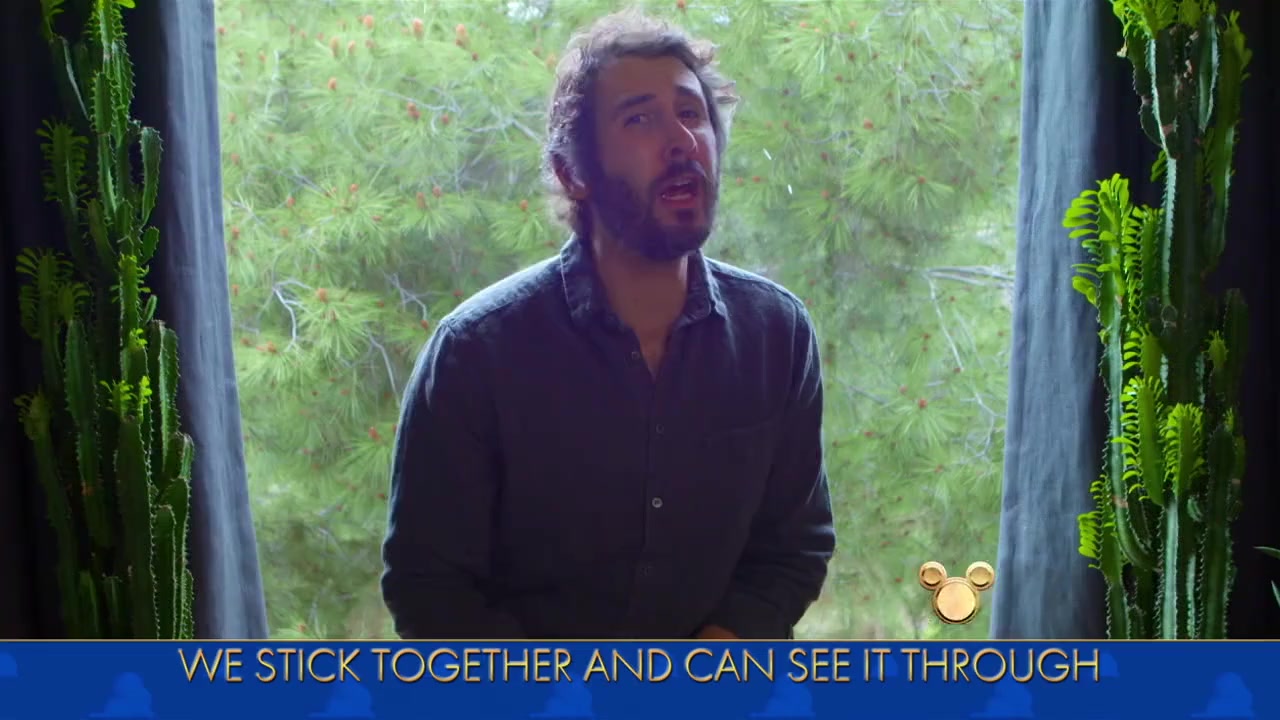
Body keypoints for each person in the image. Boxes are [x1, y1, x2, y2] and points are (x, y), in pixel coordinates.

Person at [381, 10, 836, 640]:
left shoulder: (776, 335)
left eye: (691, 113)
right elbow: (429, 591)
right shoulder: (475, 354)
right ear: (573, 173)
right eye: (640, 119)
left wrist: (717, 654)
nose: (682, 141)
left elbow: (794, 547)